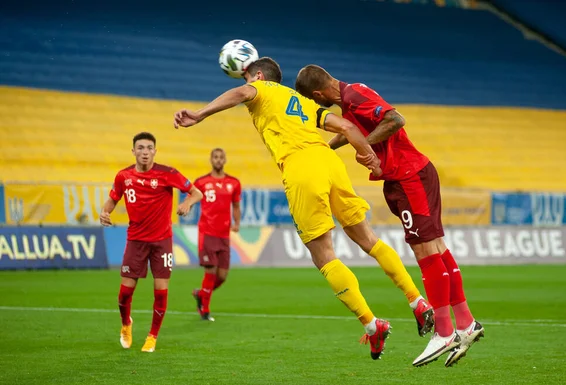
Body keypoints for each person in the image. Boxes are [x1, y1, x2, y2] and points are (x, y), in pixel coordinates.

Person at [173, 57, 433, 360]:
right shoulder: (301, 102)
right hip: (329, 162)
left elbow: (243, 94)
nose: (244, 83)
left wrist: (201, 114)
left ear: (258, 76)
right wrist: (370, 157)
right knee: (368, 239)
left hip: (300, 167)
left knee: (324, 256)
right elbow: (347, 126)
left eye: (246, 77)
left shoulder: (261, 89)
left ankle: (373, 326)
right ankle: (417, 301)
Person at [295, 65, 484, 367]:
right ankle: (466, 323)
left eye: (315, 101)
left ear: (317, 94)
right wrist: (329, 148)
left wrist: (364, 146)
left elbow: (395, 119)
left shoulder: (354, 96)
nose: (319, 106)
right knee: (437, 248)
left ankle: (445, 332)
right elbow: (358, 129)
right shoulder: (350, 98)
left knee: (426, 252)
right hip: (407, 177)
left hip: (410, 176)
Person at [100, 132, 203, 353]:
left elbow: (197, 193)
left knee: (160, 290)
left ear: (155, 151)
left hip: (162, 242)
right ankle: (126, 324)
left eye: (149, 148)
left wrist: (187, 204)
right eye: (140, 148)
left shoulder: (168, 173)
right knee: (125, 293)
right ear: (133, 151)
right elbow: (113, 199)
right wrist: (104, 212)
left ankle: (152, 337)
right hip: (135, 241)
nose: (145, 152)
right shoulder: (123, 176)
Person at [191, 148, 241, 321]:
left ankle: (200, 294)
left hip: (224, 235)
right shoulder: (202, 182)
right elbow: (190, 197)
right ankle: (204, 310)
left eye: (221, 157)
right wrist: (187, 206)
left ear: (225, 160)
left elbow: (235, 205)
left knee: (222, 276)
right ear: (211, 160)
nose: (218, 160)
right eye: (215, 157)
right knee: (210, 272)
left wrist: (237, 223)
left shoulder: (234, 183)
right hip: (207, 232)